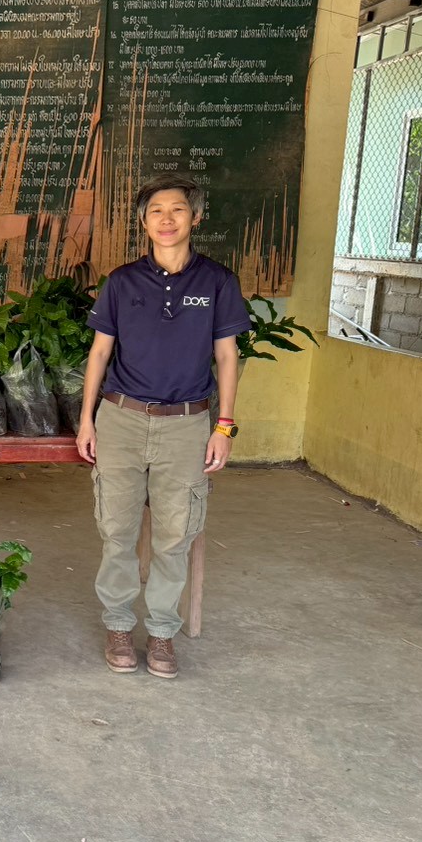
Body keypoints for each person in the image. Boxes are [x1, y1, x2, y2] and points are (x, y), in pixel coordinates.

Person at [76, 173, 251, 679]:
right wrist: (86, 420)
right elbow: (100, 353)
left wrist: (224, 427)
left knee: (176, 536)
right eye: (156, 211)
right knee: (117, 531)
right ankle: (117, 625)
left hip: (186, 425)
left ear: (196, 217)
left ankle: (161, 633)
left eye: (177, 210)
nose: (167, 219)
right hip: (122, 420)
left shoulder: (217, 282)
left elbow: (227, 356)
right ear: (143, 221)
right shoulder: (122, 282)